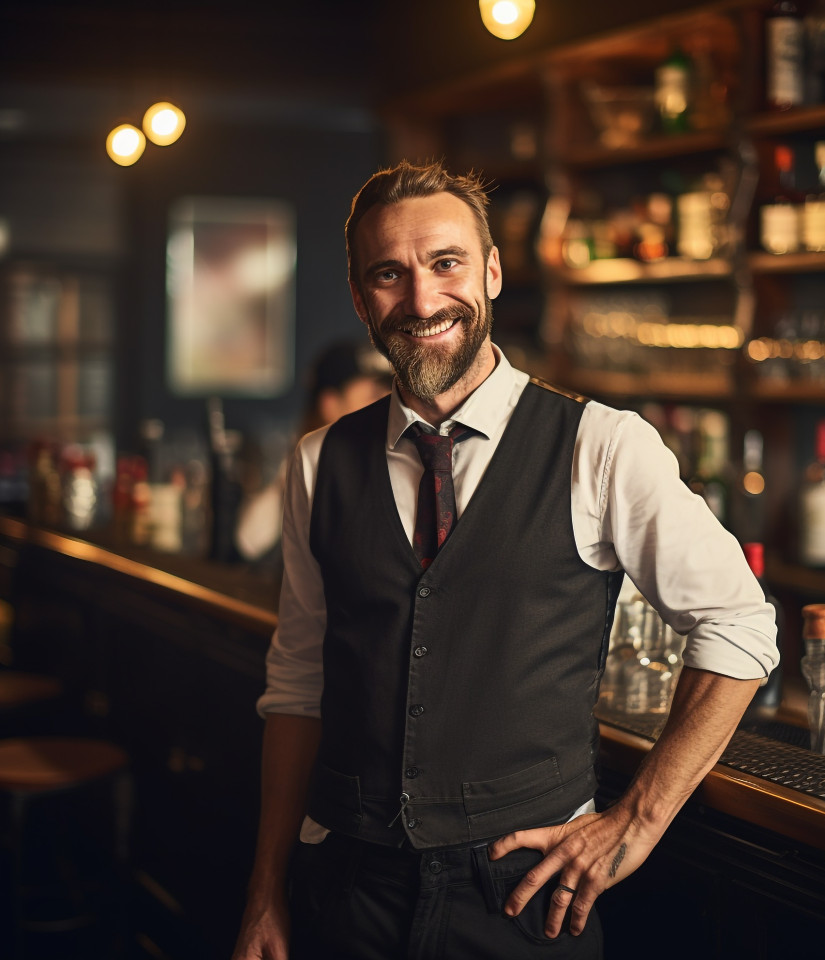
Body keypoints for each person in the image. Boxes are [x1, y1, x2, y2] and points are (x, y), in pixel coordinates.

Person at [232, 161, 778, 960]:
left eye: (446, 263)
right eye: (390, 274)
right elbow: (299, 686)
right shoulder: (319, 462)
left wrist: (638, 820)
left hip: (521, 903)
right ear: (360, 297)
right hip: (346, 897)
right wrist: (264, 891)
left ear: (490, 271)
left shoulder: (602, 444)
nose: (422, 301)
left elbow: (738, 623)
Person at [233, 340, 392, 562]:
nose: (388, 404)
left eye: (391, 392)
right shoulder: (306, 469)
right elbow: (248, 543)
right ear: (330, 404)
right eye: (374, 394)